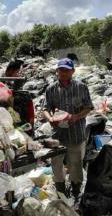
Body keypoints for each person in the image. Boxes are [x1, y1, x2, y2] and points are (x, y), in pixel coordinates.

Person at [42, 58, 93, 199]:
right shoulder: (51, 89)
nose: (63, 73)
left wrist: (76, 116)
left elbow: (88, 107)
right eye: (61, 70)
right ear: (57, 72)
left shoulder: (81, 87)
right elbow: (45, 108)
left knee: (76, 163)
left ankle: (75, 190)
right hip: (57, 135)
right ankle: (60, 189)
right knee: (56, 162)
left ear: (73, 71)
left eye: (67, 70)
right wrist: (50, 118)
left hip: (76, 133)